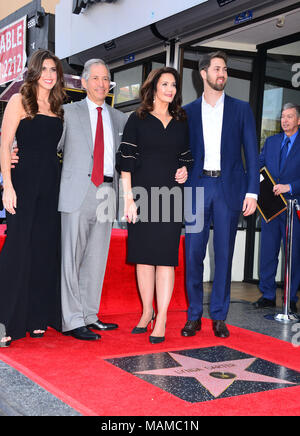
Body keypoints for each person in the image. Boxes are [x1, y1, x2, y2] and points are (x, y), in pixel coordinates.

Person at [182, 51, 259, 339]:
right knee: (193, 255)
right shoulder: (187, 112)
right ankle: (193, 315)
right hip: (197, 188)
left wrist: (252, 191)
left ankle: (219, 316)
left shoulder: (241, 110)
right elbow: (182, 153)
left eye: (225, 69)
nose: (222, 74)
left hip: (229, 190)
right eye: (217, 69)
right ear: (203, 74)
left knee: (224, 255)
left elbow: (251, 154)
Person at [116, 67, 193, 344]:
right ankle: (147, 311)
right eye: (165, 84)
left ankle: (161, 317)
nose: (170, 89)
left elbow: (186, 157)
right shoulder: (137, 119)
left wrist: (185, 170)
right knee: (144, 258)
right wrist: (128, 199)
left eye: (173, 84)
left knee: (165, 259)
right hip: (141, 196)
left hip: (171, 197)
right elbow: (126, 162)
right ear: (154, 87)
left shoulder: (182, 120)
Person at [58, 59, 128, 341]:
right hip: (77, 191)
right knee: (71, 258)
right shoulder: (67, 113)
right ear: (84, 82)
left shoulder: (119, 118)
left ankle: (89, 315)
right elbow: (49, 146)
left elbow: (128, 159)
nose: (101, 83)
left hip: (106, 192)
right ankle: (71, 319)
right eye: (95, 78)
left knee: (96, 258)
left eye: (105, 79)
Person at [0, 49, 65, 347]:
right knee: (17, 249)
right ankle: (7, 321)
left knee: (42, 248)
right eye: (45, 69)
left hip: (51, 183)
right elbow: (4, 145)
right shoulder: (18, 100)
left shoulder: (57, 105)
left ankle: (37, 317)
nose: (50, 75)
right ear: (34, 72)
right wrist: (8, 187)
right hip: (23, 182)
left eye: (54, 70)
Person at [254, 103, 300, 313]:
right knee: (268, 252)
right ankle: (268, 295)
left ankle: (290, 298)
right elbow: (259, 166)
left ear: (298, 121)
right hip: (270, 208)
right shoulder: (271, 142)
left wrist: (289, 186)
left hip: (293, 207)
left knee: (293, 254)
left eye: (290, 117)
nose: (285, 120)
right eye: (283, 116)